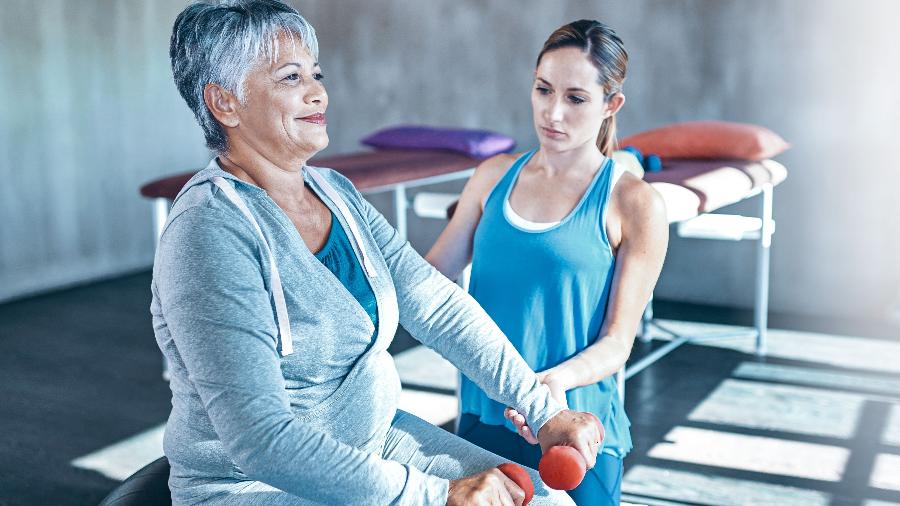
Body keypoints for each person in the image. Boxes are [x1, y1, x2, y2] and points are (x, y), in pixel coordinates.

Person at [153, 1, 603, 504]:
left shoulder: (336, 194)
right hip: (251, 485)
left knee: (544, 498)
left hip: (372, 439)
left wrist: (542, 409)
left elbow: (436, 305)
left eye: (315, 73)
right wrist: (436, 496)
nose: (317, 91)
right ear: (225, 103)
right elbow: (260, 438)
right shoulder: (208, 232)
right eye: (289, 77)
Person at [425, 20, 669, 505]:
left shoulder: (634, 203)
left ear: (610, 105)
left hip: (574, 430)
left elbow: (618, 342)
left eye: (576, 98)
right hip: (482, 419)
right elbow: (426, 281)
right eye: (543, 90)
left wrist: (552, 383)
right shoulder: (492, 176)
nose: (553, 112)